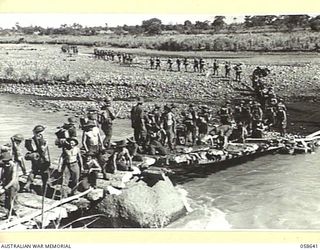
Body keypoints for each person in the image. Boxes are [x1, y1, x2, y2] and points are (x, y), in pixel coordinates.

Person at [24, 125, 50, 194]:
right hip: (41, 158)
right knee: (45, 173)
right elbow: (42, 149)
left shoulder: (33, 138)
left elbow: (33, 149)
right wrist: (46, 143)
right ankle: (44, 190)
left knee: (34, 171)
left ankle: (28, 184)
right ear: (41, 131)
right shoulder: (41, 138)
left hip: (35, 158)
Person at [0, 152, 19, 217]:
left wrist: (5, 188)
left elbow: (13, 180)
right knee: (4, 199)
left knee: (12, 198)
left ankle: (15, 212)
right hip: (6, 183)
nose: (5, 163)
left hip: (13, 184)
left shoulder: (13, 166)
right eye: (4, 162)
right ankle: (6, 211)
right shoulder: (3, 163)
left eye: (6, 162)